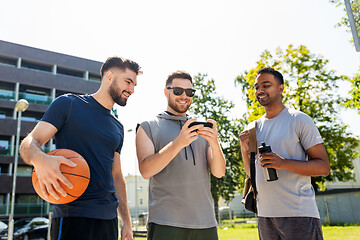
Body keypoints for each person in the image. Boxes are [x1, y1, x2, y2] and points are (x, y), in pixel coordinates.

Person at [19, 56, 142, 240]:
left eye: (134, 85)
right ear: (109, 76)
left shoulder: (118, 127)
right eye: (128, 82)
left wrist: (127, 222)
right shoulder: (68, 104)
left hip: (108, 220)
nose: (131, 90)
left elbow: (116, 175)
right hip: (72, 215)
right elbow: (30, 142)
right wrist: (40, 159)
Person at [239, 67, 330, 240]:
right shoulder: (252, 128)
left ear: (281, 88)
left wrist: (283, 163)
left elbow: (324, 168)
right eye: (257, 87)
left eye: (266, 85)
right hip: (265, 216)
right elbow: (252, 174)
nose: (260, 91)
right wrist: (244, 150)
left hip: (298, 214)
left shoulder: (299, 120)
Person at [135, 71, 226, 240]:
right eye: (178, 91)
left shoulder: (200, 128)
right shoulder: (148, 127)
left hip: (205, 223)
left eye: (189, 92)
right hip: (166, 222)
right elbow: (146, 171)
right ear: (166, 92)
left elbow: (219, 172)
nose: (184, 96)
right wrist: (178, 143)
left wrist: (214, 142)